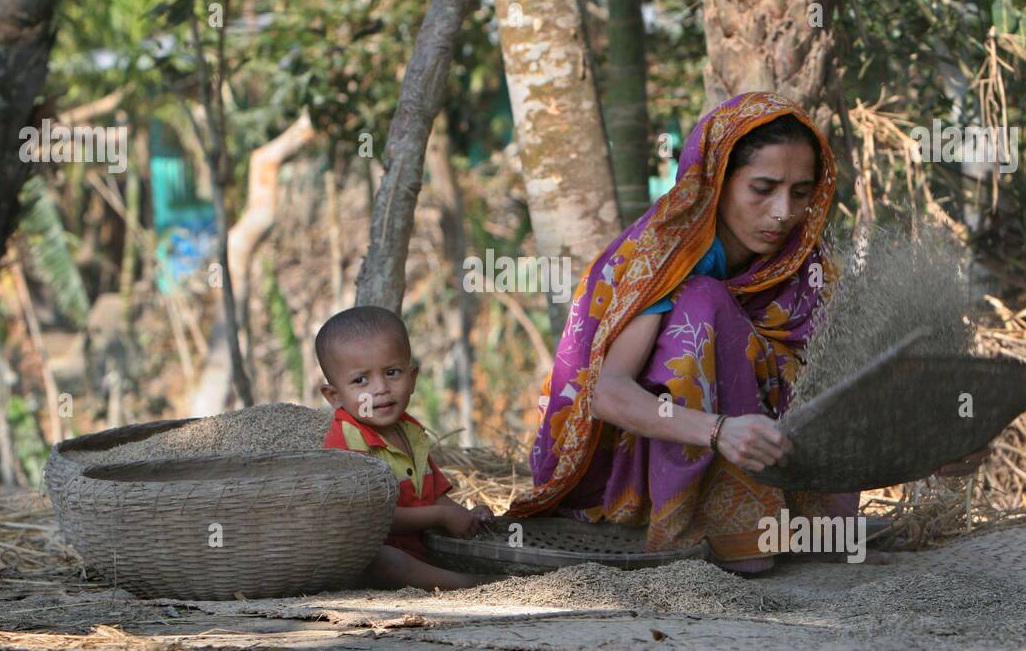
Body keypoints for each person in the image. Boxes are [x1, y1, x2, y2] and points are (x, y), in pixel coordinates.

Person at [507, 91, 986, 574]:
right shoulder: (665, 257)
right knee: (703, 302)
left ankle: (802, 530)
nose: (783, 211)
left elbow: (839, 392)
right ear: (717, 181)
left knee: (828, 349)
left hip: (764, 458)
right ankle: (703, 526)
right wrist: (719, 432)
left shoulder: (806, 268)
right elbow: (607, 394)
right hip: (641, 464)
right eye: (763, 188)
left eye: (801, 193)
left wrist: (926, 446)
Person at [318, 306, 493, 590]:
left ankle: (464, 578)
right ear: (334, 395)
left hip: (417, 547)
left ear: (411, 378)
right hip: (367, 552)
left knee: (450, 546)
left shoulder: (411, 431)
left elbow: (434, 497)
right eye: (361, 380)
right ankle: (469, 586)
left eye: (392, 372)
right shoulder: (347, 442)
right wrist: (440, 516)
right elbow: (373, 518)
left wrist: (465, 516)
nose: (380, 389)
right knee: (384, 560)